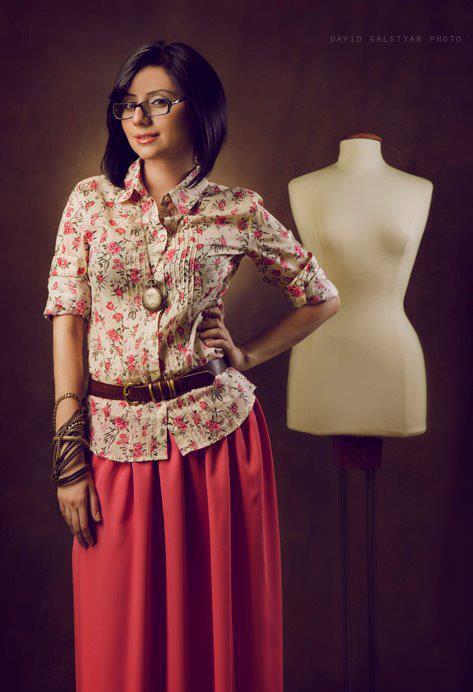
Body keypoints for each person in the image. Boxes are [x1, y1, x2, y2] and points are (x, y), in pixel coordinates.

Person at [43, 40, 340, 692]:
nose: (139, 117)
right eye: (127, 105)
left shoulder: (236, 209)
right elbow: (68, 317)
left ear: (198, 107)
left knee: (213, 632)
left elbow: (321, 297)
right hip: (112, 441)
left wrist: (247, 355)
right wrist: (69, 455)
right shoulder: (89, 202)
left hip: (213, 443)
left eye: (158, 102)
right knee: (119, 640)